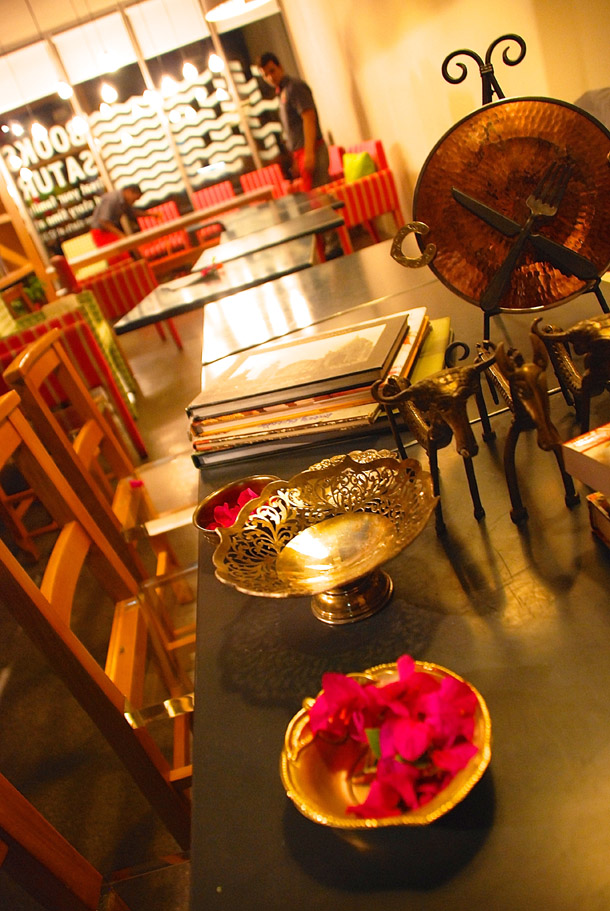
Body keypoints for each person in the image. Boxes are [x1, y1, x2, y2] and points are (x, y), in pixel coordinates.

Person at [259, 52, 330, 191]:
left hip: (313, 150)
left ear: (280, 67)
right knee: (314, 200)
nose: (270, 77)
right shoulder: (283, 92)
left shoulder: (294, 87)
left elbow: (309, 117)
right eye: (265, 75)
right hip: (302, 153)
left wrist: (309, 153)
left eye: (272, 71)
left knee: (321, 198)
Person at [90, 183, 143, 262]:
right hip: (101, 232)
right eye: (134, 199)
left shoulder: (123, 201)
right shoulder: (112, 199)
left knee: (126, 255)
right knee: (118, 258)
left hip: (109, 231)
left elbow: (132, 212)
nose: (133, 202)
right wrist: (120, 234)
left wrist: (152, 214)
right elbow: (104, 221)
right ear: (129, 192)